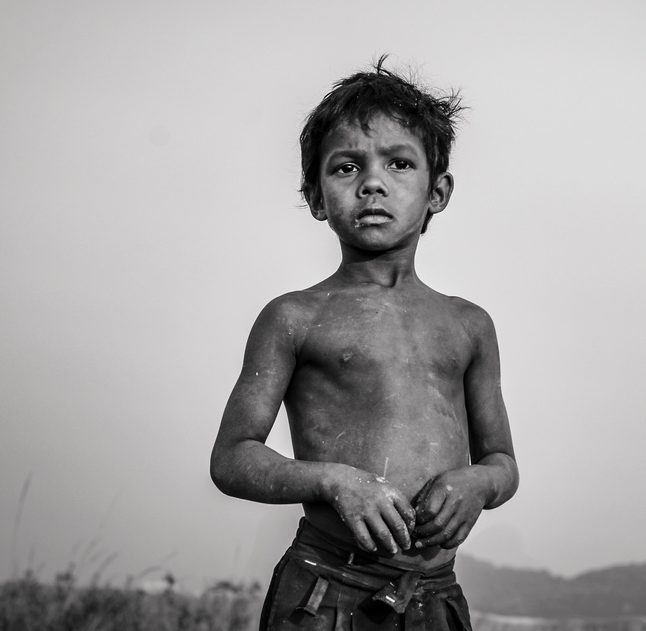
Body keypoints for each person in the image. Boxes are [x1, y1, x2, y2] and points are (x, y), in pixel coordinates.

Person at [210, 58, 519, 631]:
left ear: (438, 191)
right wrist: (335, 481)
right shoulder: (295, 318)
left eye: (399, 163)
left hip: (434, 596)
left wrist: (476, 482)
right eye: (346, 167)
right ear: (316, 197)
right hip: (325, 588)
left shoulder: (469, 326)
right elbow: (231, 458)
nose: (372, 183)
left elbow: (502, 463)